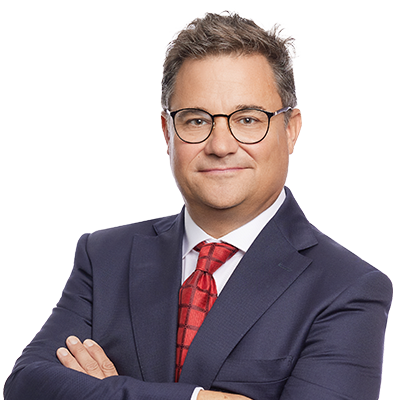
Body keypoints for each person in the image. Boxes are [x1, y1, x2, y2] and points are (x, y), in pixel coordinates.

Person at [4, 11, 392, 400]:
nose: (221, 145)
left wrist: (104, 391)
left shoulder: (348, 288)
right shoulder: (104, 257)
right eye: (196, 121)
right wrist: (198, 398)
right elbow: (25, 385)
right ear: (167, 132)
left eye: (248, 120)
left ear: (290, 130)